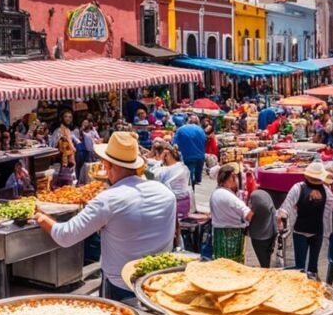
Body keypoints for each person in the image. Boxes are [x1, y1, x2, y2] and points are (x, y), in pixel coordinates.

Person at [35, 131, 176, 301]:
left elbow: (66, 236)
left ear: (107, 165)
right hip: (160, 282)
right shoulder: (165, 193)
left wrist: (42, 218)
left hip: (122, 286)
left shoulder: (108, 200)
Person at [277, 162, 333, 277]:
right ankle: (311, 284)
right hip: (315, 231)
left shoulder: (298, 188)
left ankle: (303, 286)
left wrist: (282, 217)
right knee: (311, 267)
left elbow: (285, 208)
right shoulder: (325, 191)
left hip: (302, 230)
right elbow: (330, 209)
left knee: (301, 267)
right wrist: (328, 232)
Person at [208, 164, 253, 262]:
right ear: (230, 178)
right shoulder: (228, 196)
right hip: (232, 235)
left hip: (220, 234)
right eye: (234, 177)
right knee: (233, 261)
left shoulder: (217, 193)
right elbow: (248, 214)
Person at [148, 144, 191, 219]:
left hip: (174, 204)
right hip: (181, 203)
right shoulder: (182, 167)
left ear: (166, 156)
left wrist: (160, 161)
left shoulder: (173, 169)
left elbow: (154, 175)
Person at [248, 184, 277, 268]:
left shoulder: (254, 212)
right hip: (270, 234)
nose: (250, 202)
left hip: (258, 238)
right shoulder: (270, 210)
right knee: (267, 258)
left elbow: (248, 217)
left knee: (264, 262)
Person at [173, 115, 207, 186]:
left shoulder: (180, 129)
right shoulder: (201, 130)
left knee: (187, 173)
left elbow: (175, 144)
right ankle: (198, 180)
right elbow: (205, 141)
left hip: (187, 156)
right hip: (200, 156)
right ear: (198, 122)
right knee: (198, 172)